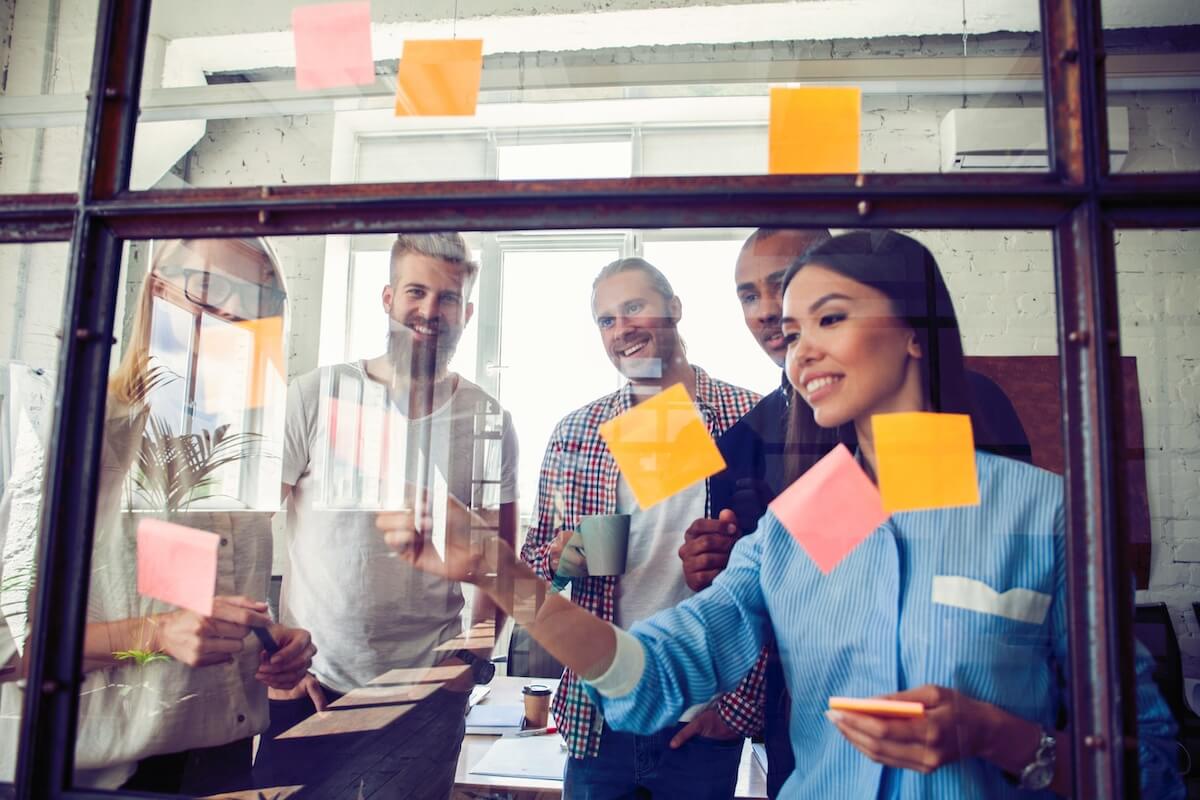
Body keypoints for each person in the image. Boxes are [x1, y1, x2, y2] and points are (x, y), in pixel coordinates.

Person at [381, 231, 1184, 799]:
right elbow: (652, 671)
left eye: (829, 318)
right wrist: (500, 572)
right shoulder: (809, 517)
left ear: (913, 330)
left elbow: (1150, 762)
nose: (797, 348)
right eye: (791, 331)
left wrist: (998, 737)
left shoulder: (1042, 516)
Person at [687, 227, 1035, 796]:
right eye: (750, 296)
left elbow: (996, 550)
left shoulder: (971, 405)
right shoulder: (743, 441)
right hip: (812, 732)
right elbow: (754, 600)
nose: (771, 309)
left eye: (790, 286)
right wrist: (719, 570)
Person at [0, 237, 315, 792]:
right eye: (208, 293)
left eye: (257, 305)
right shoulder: (81, 429)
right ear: (156, 294)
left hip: (225, 761)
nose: (234, 319)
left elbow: (188, 606)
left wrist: (271, 640)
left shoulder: (239, 453)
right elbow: (8, 648)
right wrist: (151, 636)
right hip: (105, 777)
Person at [253, 232, 518, 797]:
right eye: (416, 292)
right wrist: (276, 652)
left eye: (447, 298)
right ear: (388, 297)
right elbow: (250, 529)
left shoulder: (488, 419)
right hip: (314, 686)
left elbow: (500, 557)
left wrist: (472, 658)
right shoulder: (314, 394)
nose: (430, 311)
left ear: (467, 312)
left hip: (425, 695)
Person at [518, 257, 760, 798]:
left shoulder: (749, 417)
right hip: (602, 715)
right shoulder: (576, 434)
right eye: (606, 320)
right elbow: (537, 572)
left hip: (703, 722)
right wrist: (566, 559)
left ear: (674, 309)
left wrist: (738, 710)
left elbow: (781, 578)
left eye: (634, 308)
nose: (621, 328)